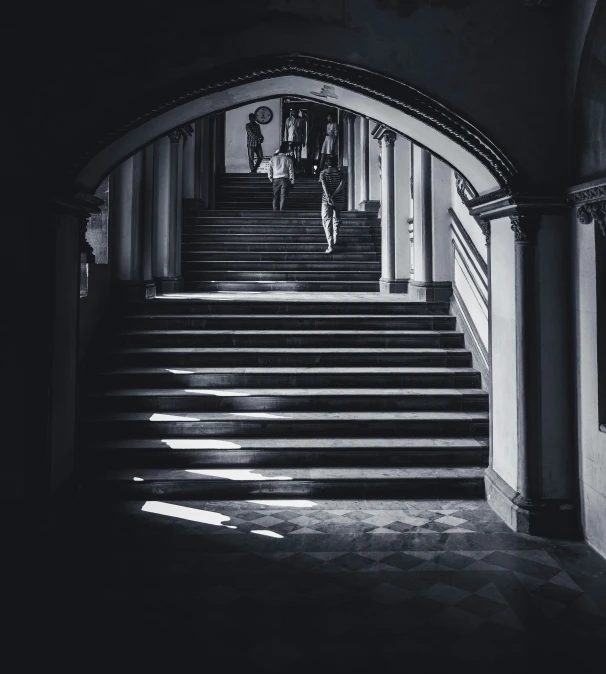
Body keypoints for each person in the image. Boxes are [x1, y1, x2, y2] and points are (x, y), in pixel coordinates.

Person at [319, 156, 345, 253]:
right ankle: (336, 238)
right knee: (337, 218)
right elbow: (342, 184)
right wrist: (334, 194)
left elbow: (323, 184)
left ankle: (330, 245)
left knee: (327, 221)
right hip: (339, 199)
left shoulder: (323, 172)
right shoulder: (341, 173)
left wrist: (329, 196)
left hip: (326, 200)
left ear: (326, 163)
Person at [268, 142, 295, 211]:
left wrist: (271, 178)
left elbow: (270, 170)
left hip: (275, 179)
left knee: (275, 196)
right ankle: (282, 211)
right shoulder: (288, 159)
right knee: (283, 196)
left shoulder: (273, 159)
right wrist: (292, 180)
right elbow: (291, 171)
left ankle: (275, 210)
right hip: (285, 179)